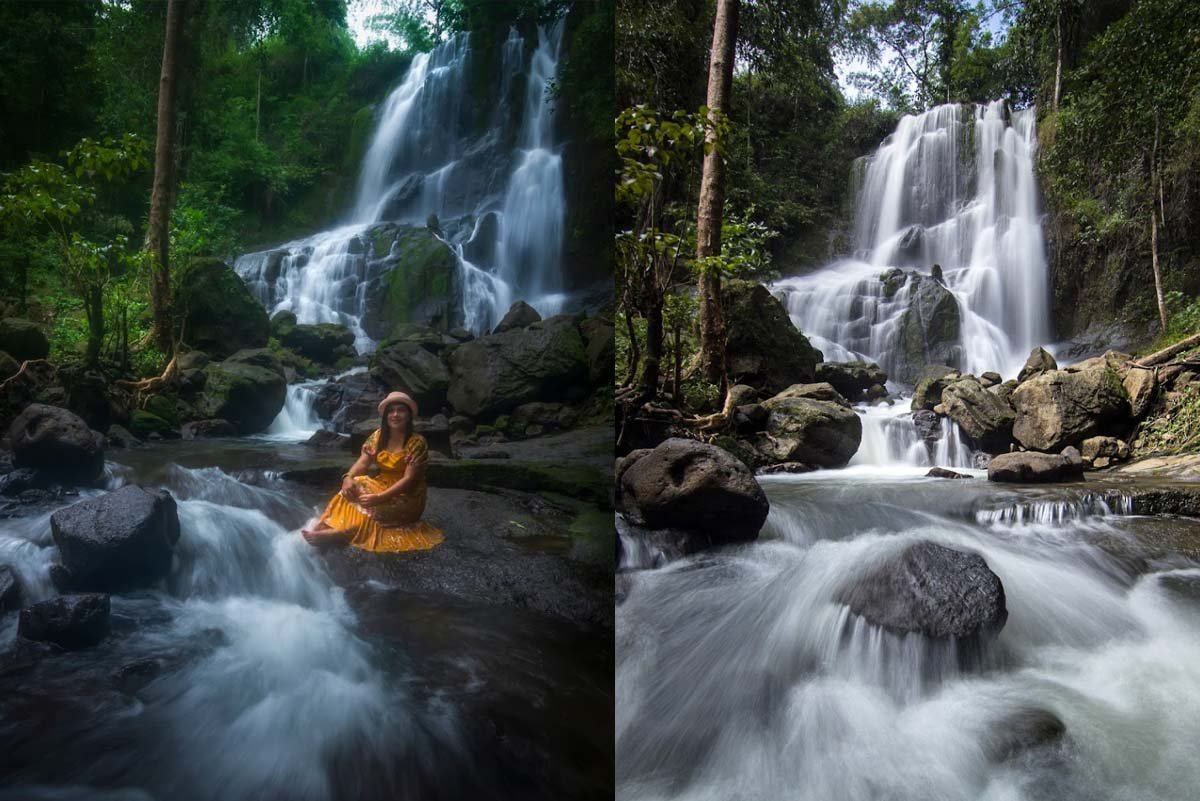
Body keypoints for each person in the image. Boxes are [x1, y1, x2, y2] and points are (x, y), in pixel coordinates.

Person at [301, 391, 444, 552]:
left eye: (401, 410)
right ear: (386, 416)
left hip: (407, 496)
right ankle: (323, 523)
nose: (395, 414)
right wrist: (348, 477)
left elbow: (409, 479)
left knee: (372, 509)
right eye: (391, 411)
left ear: (409, 415)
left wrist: (378, 497)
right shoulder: (377, 436)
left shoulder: (416, 443)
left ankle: (339, 532)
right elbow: (363, 462)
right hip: (382, 483)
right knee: (355, 484)